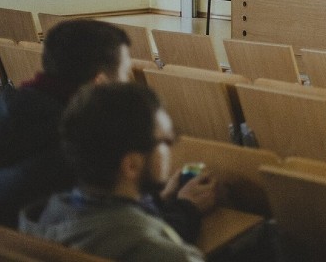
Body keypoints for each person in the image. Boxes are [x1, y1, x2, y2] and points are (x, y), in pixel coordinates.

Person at [0, 19, 133, 227]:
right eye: (126, 73)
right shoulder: (81, 143)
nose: (128, 82)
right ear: (99, 83)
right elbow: (120, 224)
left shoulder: (2, 113)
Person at [20, 83, 207, 262]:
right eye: (166, 141)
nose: (170, 148)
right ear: (131, 165)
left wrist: (161, 199)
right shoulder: (162, 253)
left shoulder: (45, 217)